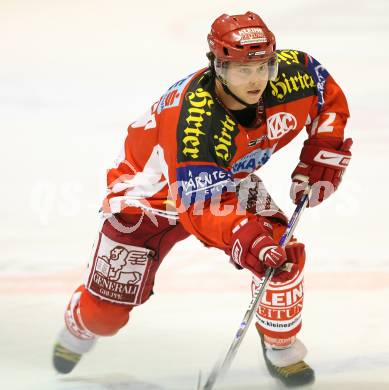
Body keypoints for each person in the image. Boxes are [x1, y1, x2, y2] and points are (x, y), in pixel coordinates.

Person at [53, 11, 352, 387]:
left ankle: (281, 346)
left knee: (281, 255)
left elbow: (326, 93)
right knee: (105, 316)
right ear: (218, 66)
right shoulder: (196, 123)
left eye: (264, 66)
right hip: (147, 197)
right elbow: (200, 206)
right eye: (243, 70)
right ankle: (79, 327)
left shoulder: (294, 75)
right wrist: (246, 235)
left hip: (226, 179)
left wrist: (324, 146)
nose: (257, 79)